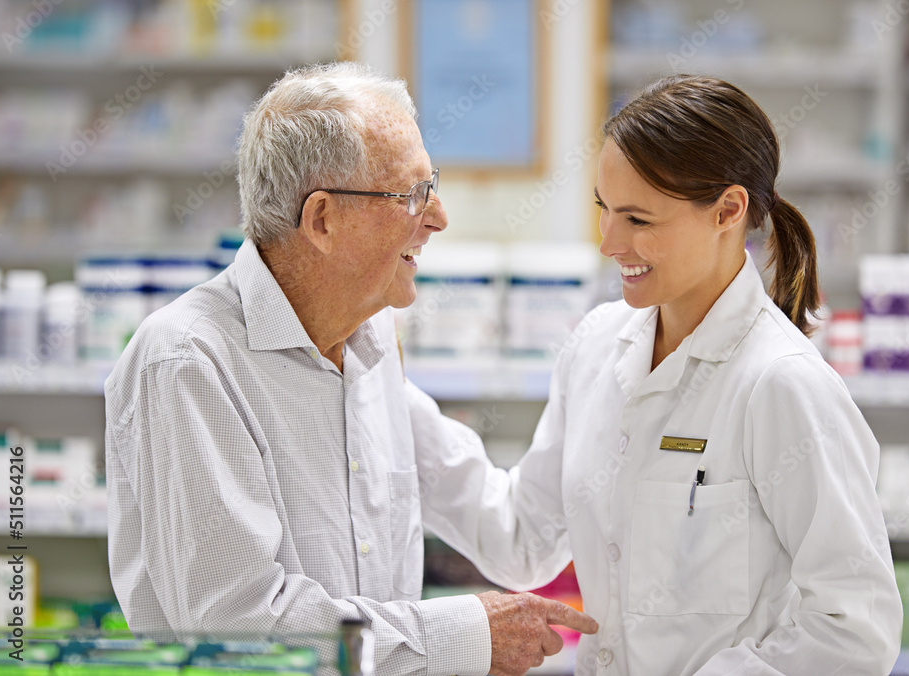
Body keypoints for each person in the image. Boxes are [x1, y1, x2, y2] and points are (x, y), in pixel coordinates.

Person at [104, 62, 597, 676]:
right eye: (412, 193)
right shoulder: (188, 361)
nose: (439, 216)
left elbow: (512, 534)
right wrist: (463, 635)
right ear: (323, 220)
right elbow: (238, 633)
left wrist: (601, 373)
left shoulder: (367, 342)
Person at [405, 75, 903, 674]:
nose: (610, 243)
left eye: (639, 220)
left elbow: (855, 629)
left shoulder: (781, 383)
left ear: (728, 209)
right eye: (604, 211)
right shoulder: (594, 347)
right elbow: (525, 539)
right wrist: (380, 394)